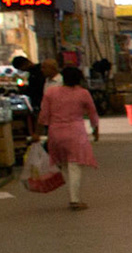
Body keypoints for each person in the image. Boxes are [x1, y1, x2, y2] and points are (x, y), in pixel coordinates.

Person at [38, 64, 100, 210]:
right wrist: (95, 129)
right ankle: (75, 199)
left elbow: (43, 115)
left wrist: (37, 132)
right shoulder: (83, 93)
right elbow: (92, 113)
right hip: (75, 133)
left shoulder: (51, 93)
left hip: (56, 133)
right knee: (75, 166)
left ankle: (72, 195)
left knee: (64, 164)